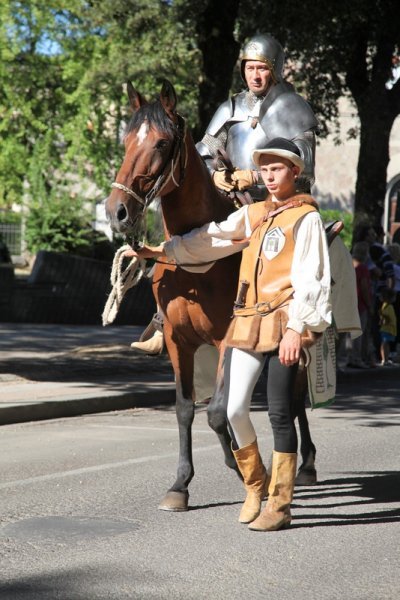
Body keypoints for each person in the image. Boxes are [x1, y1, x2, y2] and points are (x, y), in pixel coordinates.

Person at [124, 138, 332, 532]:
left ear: (295, 172)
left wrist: (297, 329)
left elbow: (311, 281)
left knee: (279, 414)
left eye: (278, 169)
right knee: (233, 410)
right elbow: (212, 237)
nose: (270, 177)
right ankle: (256, 486)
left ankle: (281, 505)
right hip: (245, 321)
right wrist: (161, 251)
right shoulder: (253, 212)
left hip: (284, 323)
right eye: (265, 170)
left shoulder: (305, 219)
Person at [131, 32, 319, 355]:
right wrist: (217, 175)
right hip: (233, 203)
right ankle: (166, 316)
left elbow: (306, 171)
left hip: (278, 205)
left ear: (274, 69)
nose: (254, 75)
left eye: (261, 68)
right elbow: (204, 154)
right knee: (194, 236)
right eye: (249, 68)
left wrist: (256, 177)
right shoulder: (231, 107)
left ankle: (289, 323)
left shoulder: (294, 109)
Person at [348, 242, 373, 368]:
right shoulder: (362, 268)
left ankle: (350, 357)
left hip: (349, 302)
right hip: (360, 303)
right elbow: (364, 288)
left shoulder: (348, 265)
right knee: (358, 333)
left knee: (347, 333)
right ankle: (356, 358)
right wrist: (369, 305)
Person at [379, 288, 397, 366]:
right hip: (386, 329)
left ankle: (386, 359)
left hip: (389, 329)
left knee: (387, 344)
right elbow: (385, 316)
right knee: (384, 343)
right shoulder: (387, 306)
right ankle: (383, 359)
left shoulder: (389, 306)